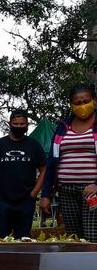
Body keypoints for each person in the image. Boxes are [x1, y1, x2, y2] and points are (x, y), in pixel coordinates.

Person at [40, 83, 97, 241]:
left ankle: (92, 267)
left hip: (92, 191)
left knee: (92, 239)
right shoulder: (62, 127)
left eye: (86, 101)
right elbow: (51, 163)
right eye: (77, 103)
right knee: (73, 239)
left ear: (94, 101)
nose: (82, 106)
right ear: (71, 105)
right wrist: (46, 195)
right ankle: (76, 267)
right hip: (66, 191)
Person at [0, 109, 46, 239]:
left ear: (27, 125)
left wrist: (34, 193)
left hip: (26, 199)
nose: (19, 126)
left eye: (22, 124)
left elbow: (44, 169)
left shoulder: (34, 145)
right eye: (15, 124)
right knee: (1, 237)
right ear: (9, 124)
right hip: (3, 199)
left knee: (23, 238)